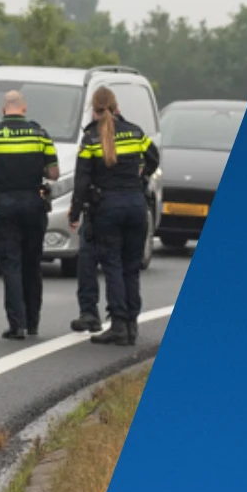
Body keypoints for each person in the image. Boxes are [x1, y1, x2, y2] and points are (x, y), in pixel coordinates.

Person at [69, 88, 161, 346]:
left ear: (94, 109)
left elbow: (82, 180)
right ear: (116, 106)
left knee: (113, 266)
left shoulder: (90, 139)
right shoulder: (135, 132)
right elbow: (153, 157)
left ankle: (119, 324)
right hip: (136, 206)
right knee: (131, 267)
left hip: (108, 208)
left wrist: (75, 212)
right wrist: (141, 176)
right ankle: (132, 325)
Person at [0, 91, 60, 340]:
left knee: (11, 264)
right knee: (32, 263)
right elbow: (53, 174)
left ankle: (16, 325)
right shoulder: (40, 135)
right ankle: (33, 323)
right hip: (33, 203)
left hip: (4, 205)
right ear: (24, 108)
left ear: (3, 109)